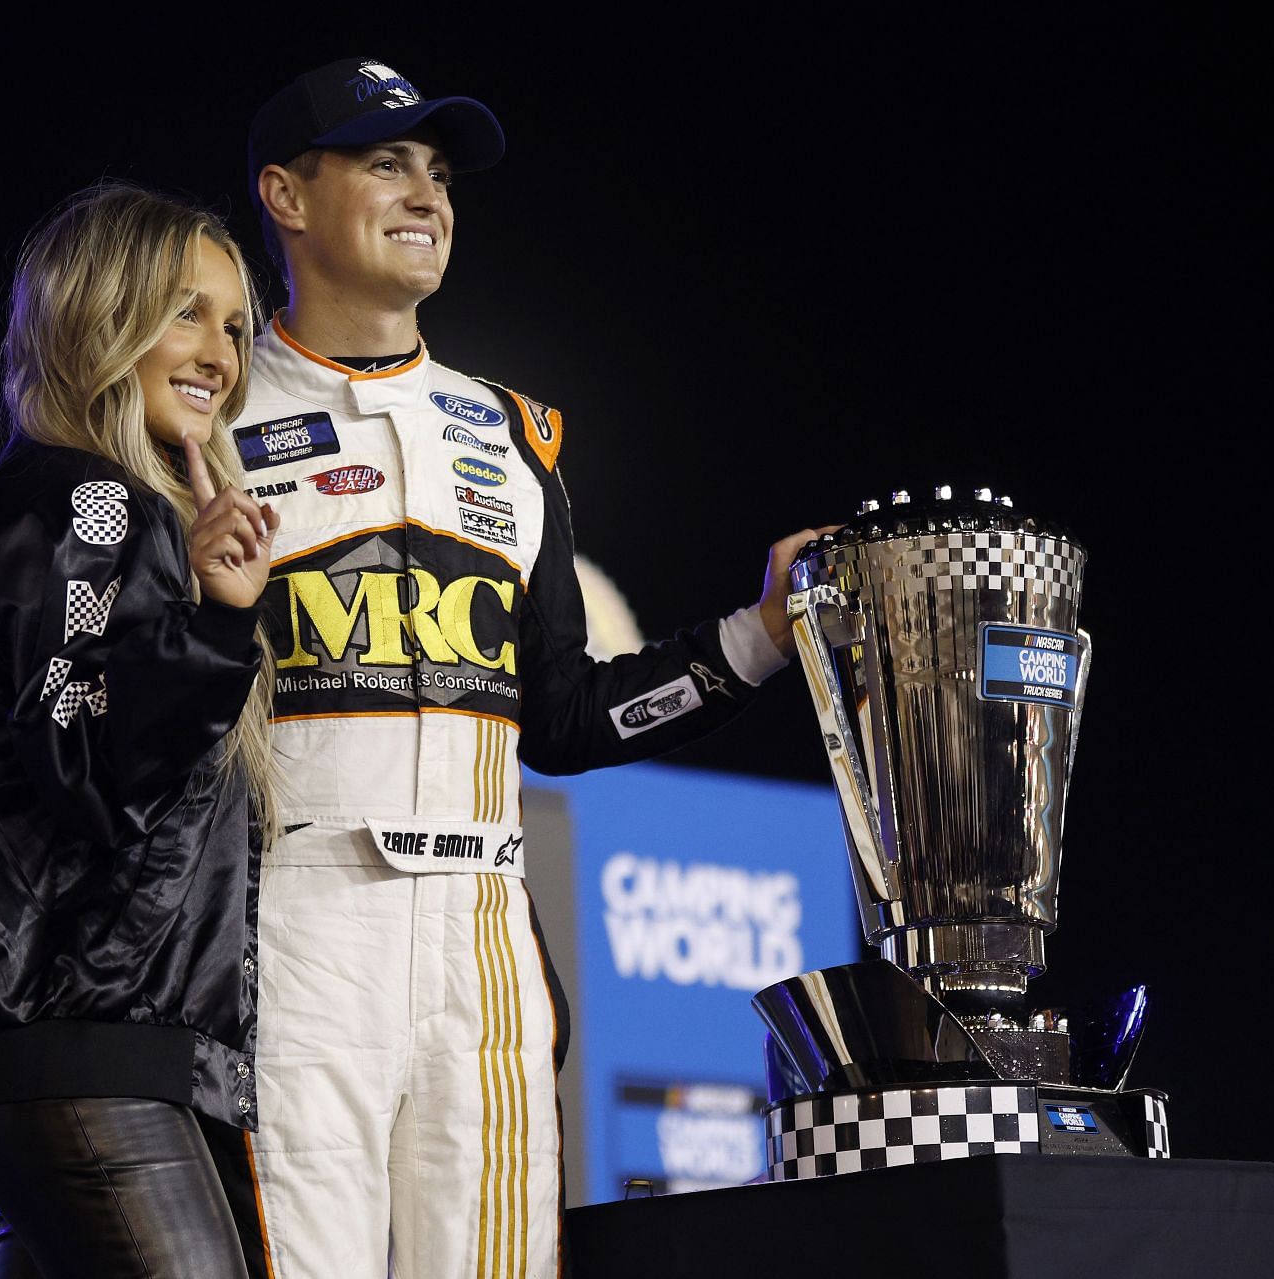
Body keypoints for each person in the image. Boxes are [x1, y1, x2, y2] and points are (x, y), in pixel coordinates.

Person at [219, 58, 831, 1277]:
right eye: (385, 161)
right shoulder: (211, 414)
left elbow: (563, 713)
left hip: (483, 925)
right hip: (293, 915)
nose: (426, 195)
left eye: (439, 174)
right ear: (285, 195)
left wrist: (761, 637)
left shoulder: (510, 431)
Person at [0, 183, 284, 1279]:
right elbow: (83, 764)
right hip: (75, 1045)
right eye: (185, 311)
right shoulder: (91, 503)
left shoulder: (88, 508)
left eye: (235, 326)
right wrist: (222, 631)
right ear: (98, 316)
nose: (220, 353)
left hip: (57, 1047)